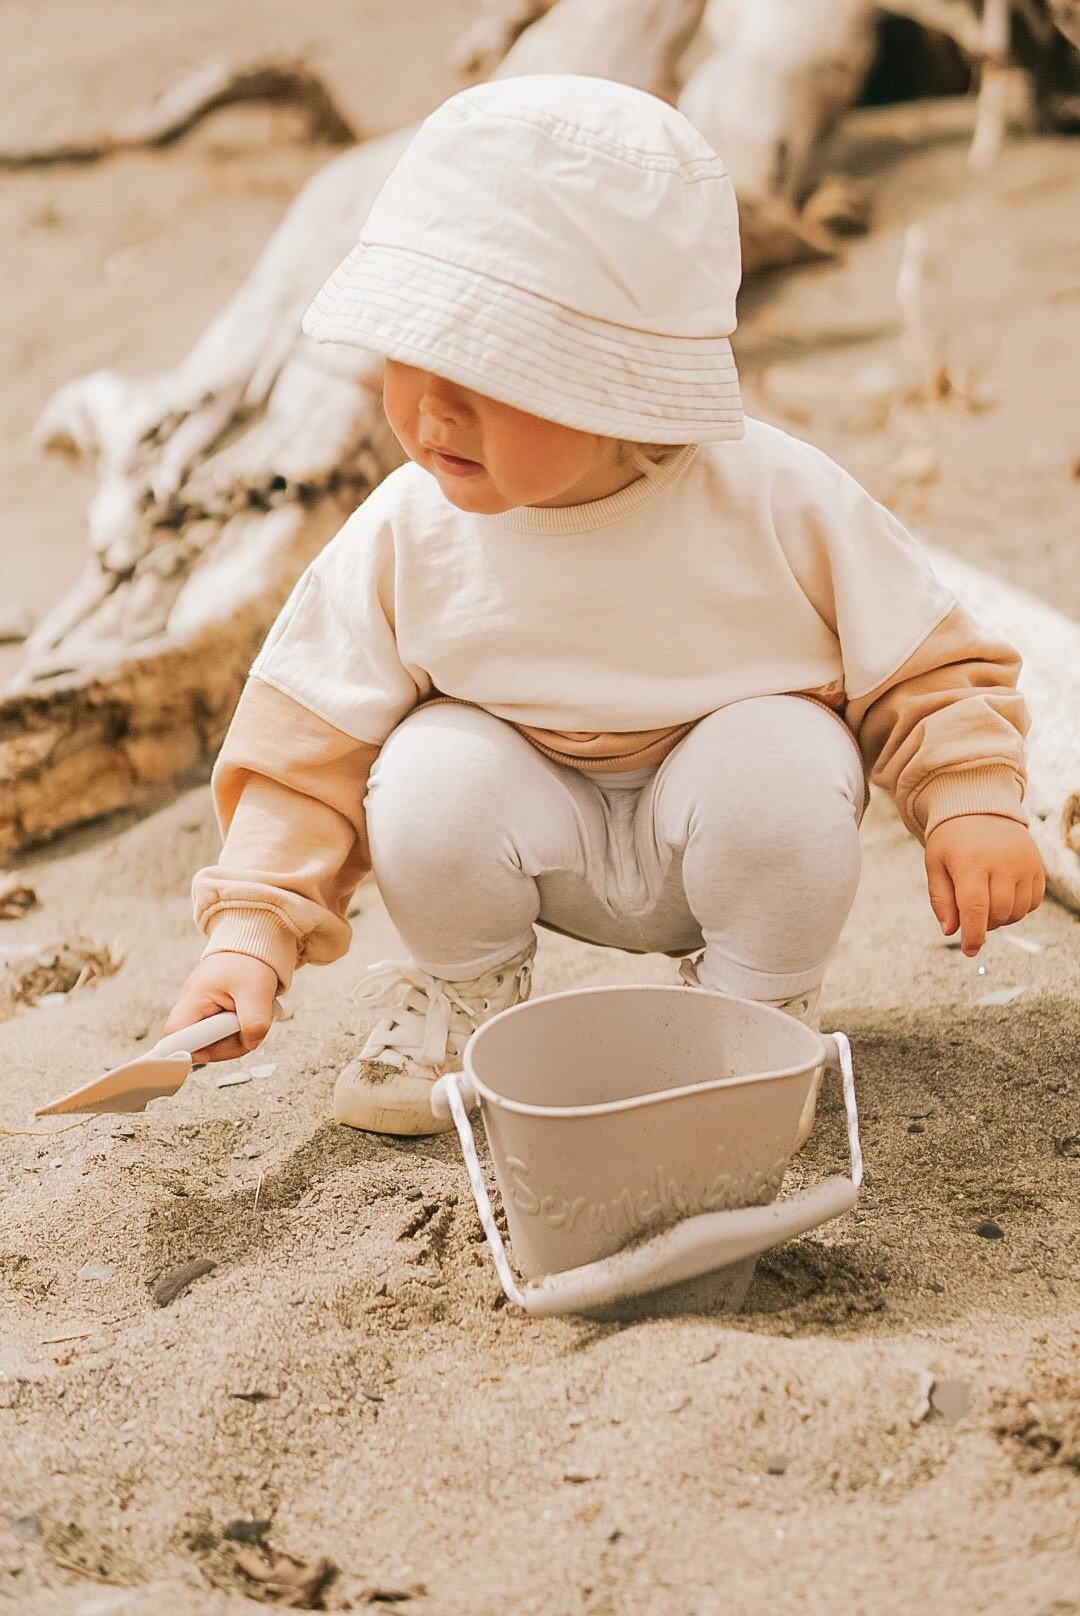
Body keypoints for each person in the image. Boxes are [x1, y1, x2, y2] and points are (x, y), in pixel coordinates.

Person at [164, 73, 1045, 1139]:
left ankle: (751, 1018)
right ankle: (466, 1003)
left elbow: (925, 664)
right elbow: (306, 749)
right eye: (412, 350)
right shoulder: (409, 529)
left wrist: (970, 797)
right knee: (429, 769)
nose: (433, 406)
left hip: (722, 834)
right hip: (532, 838)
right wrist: (249, 933)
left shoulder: (770, 493)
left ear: (626, 385)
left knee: (780, 753)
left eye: (491, 370)